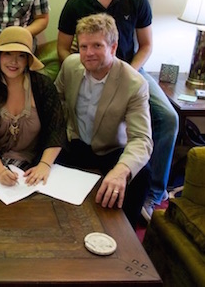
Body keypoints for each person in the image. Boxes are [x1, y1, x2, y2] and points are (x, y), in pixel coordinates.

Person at [56, 0, 177, 222]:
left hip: (131, 73)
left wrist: (130, 74)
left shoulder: (135, 0)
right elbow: (57, 96)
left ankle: (155, 197)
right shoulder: (74, 53)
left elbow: (145, 45)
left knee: (167, 122)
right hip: (77, 142)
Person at [55, 13, 152, 227]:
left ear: (113, 47)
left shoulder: (135, 83)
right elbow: (56, 103)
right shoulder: (71, 66)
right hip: (75, 144)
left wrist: (121, 170)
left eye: (97, 46)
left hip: (110, 150)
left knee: (141, 175)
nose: (89, 53)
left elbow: (142, 139)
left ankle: (126, 237)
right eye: (83, 47)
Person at [0, 26, 65, 186]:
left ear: (28, 60)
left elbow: (56, 130)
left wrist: (44, 166)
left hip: (25, 159)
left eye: (21, 56)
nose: (13, 62)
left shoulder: (43, 86)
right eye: (7, 53)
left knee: (23, 186)